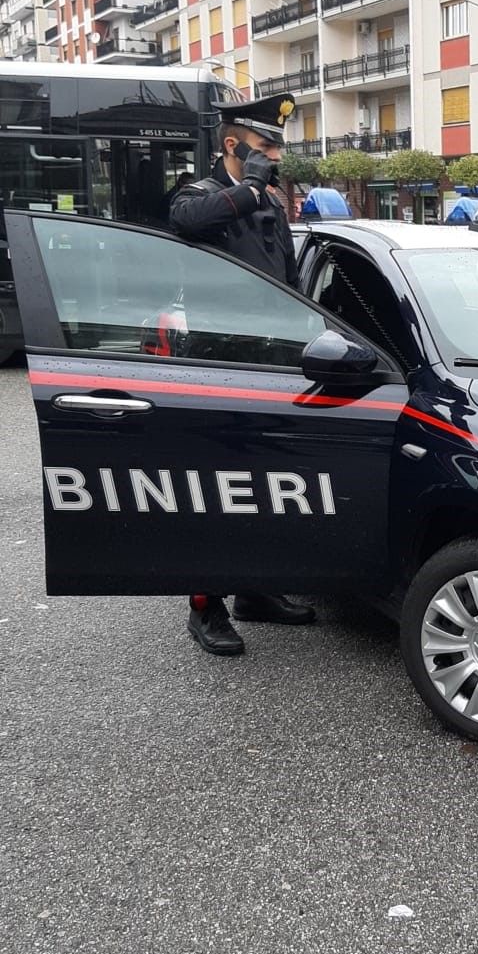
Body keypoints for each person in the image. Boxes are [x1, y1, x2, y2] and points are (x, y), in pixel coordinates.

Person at [169, 90, 315, 656]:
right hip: (218, 364)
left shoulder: (272, 202)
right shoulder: (200, 193)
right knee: (215, 488)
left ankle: (257, 589)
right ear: (232, 145)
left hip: (272, 362)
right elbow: (184, 220)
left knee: (263, 485)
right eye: (262, 149)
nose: (274, 159)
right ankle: (206, 605)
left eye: (275, 152)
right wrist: (249, 186)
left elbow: (286, 274)